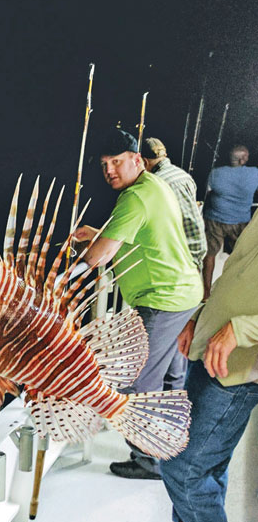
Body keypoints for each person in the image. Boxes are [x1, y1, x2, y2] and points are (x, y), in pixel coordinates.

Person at [136, 208, 258, 522]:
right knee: (209, 465)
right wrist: (202, 318)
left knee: (182, 464)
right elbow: (237, 274)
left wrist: (240, 328)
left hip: (240, 366)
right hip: (212, 350)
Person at [73, 128, 203, 479]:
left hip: (162, 301)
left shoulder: (134, 198)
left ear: (136, 160)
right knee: (173, 375)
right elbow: (141, 233)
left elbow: (98, 258)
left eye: (116, 162)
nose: (110, 171)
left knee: (138, 382)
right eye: (104, 165)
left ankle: (149, 461)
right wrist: (100, 233)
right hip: (185, 293)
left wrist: (66, 268)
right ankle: (173, 443)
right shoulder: (154, 186)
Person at [140, 136, 207, 272]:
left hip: (180, 257)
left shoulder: (157, 183)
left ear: (144, 162)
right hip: (197, 250)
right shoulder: (183, 175)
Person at [202, 144, 258, 300]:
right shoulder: (254, 174)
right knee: (239, 256)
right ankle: (233, 289)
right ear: (242, 160)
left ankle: (206, 293)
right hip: (240, 222)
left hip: (215, 220)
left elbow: (208, 194)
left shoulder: (216, 173)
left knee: (210, 255)